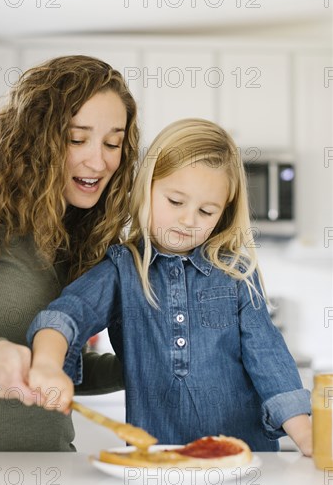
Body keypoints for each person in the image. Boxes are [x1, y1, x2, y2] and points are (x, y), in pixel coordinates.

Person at [26, 118, 312, 454]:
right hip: (158, 463)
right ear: (146, 188)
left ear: (223, 214)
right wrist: (46, 362)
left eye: (206, 211)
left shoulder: (236, 273)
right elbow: (69, 313)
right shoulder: (123, 269)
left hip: (242, 461)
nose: (188, 220)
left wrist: (307, 437)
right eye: (175, 201)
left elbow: (269, 359)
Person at [0, 55, 139, 451]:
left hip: (51, 472)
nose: (100, 160)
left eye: (113, 142)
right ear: (37, 138)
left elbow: (49, 370)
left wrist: (135, 369)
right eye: (77, 139)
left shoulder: (81, 228)